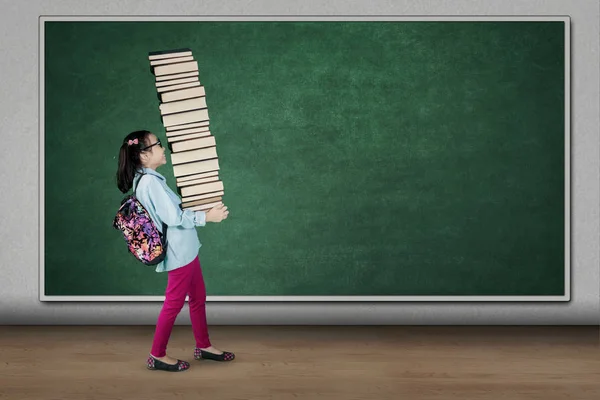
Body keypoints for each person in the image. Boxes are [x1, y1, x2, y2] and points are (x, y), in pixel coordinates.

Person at [116, 129, 234, 372]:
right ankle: (157, 354)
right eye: (158, 144)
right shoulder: (150, 182)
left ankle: (203, 345)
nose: (163, 147)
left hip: (187, 249)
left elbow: (174, 209)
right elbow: (174, 217)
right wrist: (207, 217)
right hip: (179, 253)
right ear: (143, 156)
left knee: (198, 298)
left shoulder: (149, 179)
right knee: (173, 303)